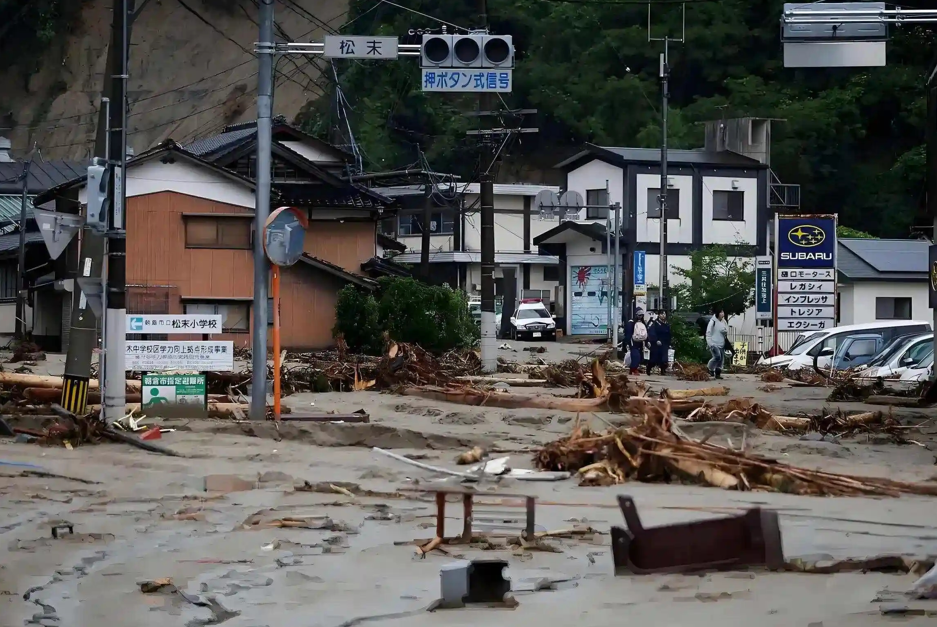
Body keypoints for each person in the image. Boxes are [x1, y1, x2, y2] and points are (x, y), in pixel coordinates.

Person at [706, 308, 729, 379]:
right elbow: (708, 332)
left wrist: (724, 331)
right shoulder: (712, 321)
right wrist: (710, 343)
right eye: (721, 312)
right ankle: (709, 368)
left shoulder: (724, 321)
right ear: (717, 313)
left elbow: (726, 330)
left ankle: (718, 373)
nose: (722, 314)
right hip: (713, 343)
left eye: (723, 312)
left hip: (721, 343)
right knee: (717, 356)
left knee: (721, 360)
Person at [648, 310, 672, 375]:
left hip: (664, 343)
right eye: (662, 314)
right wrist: (656, 340)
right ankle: (649, 368)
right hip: (656, 343)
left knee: (664, 358)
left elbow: (669, 334)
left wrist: (669, 343)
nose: (663, 315)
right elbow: (652, 332)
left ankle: (663, 370)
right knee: (654, 358)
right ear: (658, 315)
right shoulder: (655, 323)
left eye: (664, 314)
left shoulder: (666, 324)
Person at [626, 308, 648, 375]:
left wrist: (647, 341)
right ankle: (634, 369)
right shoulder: (631, 322)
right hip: (633, 342)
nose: (640, 316)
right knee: (636, 356)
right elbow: (628, 333)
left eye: (641, 315)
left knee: (639, 356)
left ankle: (633, 369)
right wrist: (627, 342)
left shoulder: (642, 323)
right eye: (639, 315)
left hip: (640, 342)